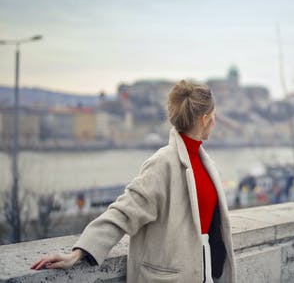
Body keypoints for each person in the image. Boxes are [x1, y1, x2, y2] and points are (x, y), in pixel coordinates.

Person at [31, 80, 236, 282]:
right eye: (214, 116)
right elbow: (124, 211)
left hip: (204, 274)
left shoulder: (204, 162)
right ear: (204, 118)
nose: (215, 122)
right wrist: (78, 252)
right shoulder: (162, 164)